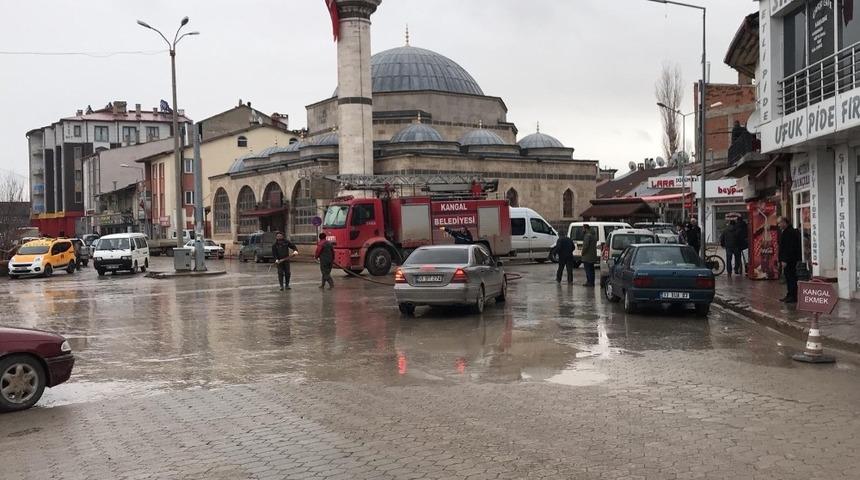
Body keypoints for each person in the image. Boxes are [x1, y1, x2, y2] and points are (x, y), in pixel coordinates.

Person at [778, 217, 802, 303]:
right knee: (788, 277)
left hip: (790, 260)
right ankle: (790, 294)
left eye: (780, 223)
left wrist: (784, 260)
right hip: (789, 259)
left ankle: (793, 296)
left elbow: (788, 248)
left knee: (791, 277)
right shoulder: (787, 232)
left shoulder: (789, 233)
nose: (779, 225)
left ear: (785, 222)